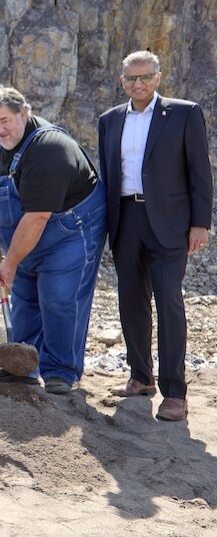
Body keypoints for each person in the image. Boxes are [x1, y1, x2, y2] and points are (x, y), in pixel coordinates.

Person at [98, 51, 213, 421]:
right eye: (132, 78)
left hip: (170, 221)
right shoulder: (109, 120)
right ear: (122, 82)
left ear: (158, 78)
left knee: (168, 301)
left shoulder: (184, 113)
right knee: (131, 300)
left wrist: (200, 223)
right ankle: (141, 377)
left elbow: (200, 172)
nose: (139, 84)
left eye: (145, 77)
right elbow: (107, 175)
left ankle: (175, 392)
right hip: (125, 218)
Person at [0, 86, 106, 394]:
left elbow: (37, 216)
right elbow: (1, 182)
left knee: (59, 297)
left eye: (5, 120)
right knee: (25, 296)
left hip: (71, 228)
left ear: (23, 113)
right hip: (30, 228)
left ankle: (60, 372)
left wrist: (10, 262)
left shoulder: (48, 149)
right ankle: (22, 366)